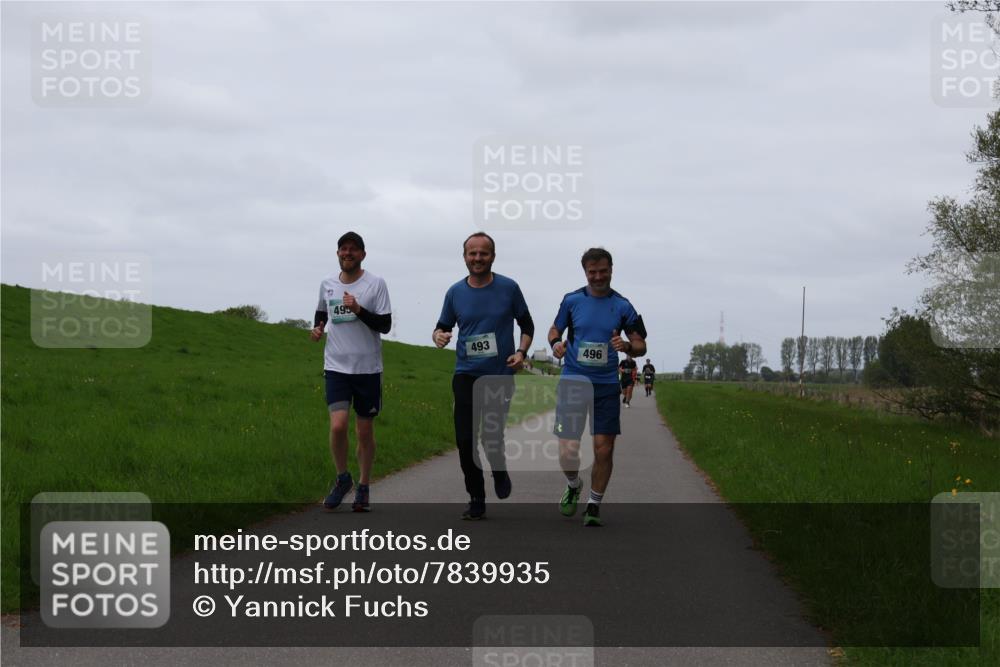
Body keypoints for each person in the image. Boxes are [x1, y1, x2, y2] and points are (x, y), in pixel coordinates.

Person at [432, 232, 534, 520]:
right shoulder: (455, 292)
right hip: (465, 373)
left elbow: (527, 324)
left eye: (483, 253)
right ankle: (476, 496)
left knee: (491, 436)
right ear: (464, 257)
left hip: (499, 375)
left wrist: (522, 352)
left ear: (493, 256)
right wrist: (438, 336)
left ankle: (499, 471)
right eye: (472, 253)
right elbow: (441, 326)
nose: (477, 258)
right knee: (465, 440)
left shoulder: (509, 288)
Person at [549, 247, 647, 527]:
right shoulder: (571, 301)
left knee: (603, 449)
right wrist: (556, 344)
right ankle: (573, 484)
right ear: (585, 273)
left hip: (605, 385)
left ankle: (593, 505)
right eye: (592, 272)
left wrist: (627, 346)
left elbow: (641, 344)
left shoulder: (624, 306)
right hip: (572, 380)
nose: (598, 276)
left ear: (611, 270)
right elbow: (554, 330)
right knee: (567, 448)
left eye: (603, 271)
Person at [311, 231, 392, 512]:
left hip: (368, 369)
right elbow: (323, 311)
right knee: (338, 425)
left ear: (362, 255)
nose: (348, 253)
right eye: (343, 249)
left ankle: (364, 485)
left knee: (365, 431)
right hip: (336, 366)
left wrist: (358, 309)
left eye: (353, 250)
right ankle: (343, 478)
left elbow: (385, 325)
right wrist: (318, 327)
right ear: (337, 254)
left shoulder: (375, 284)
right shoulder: (327, 283)